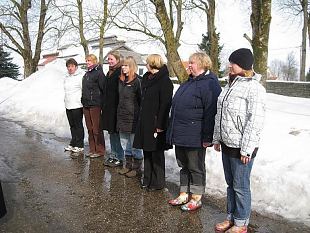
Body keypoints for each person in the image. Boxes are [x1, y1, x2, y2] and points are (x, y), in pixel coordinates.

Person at [213, 48, 266, 233]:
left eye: (233, 63)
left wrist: (247, 149)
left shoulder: (254, 88)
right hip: (228, 143)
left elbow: (255, 120)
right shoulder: (229, 85)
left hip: (242, 148)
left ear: (243, 65)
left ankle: (241, 222)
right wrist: (217, 138)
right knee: (230, 185)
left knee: (240, 186)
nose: (229, 65)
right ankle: (231, 217)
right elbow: (221, 115)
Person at [166, 52, 221, 211]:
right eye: (189, 62)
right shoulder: (188, 82)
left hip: (195, 135)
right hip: (181, 133)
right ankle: (184, 193)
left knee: (195, 167)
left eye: (192, 63)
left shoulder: (210, 84)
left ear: (203, 64)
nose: (188, 65)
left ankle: (196, 197)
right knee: (183, 165)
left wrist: (207, 137)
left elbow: (211, 112)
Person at [133, 54, 173, 191]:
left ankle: (158, 182)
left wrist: (160, 124)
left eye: (147, 63)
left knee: (156, 153)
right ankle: (147, 179)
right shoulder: (146, 78)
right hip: (145, 120)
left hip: (156, 122)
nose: (145, 65)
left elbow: (165, 104)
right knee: (147, 152)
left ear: (152, 63)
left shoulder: (165, 81)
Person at [116, 56, 143, 178]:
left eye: (126, 65)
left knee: (134, 144)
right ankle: (127, 166)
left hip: (133, 118)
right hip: (122, 117)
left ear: (131, 67)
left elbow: (141, 100)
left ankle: (137, 168)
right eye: (122, 65)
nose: (123, 67)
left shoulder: (137, 82)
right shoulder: (121, 80)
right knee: (124, 143)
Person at [102, 50, 124, 167]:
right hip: (108, 107)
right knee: (111, 132)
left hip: (116, 107)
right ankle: (113, 155)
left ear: (117, 60)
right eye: (108, 59)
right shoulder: (109, 72)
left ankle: (119, 157)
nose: (109, 61)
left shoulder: (120, 71)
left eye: (112, 59)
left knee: (116, 133)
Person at [81, 54, 105, 158]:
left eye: (89, 61)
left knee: (96, 128)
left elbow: (103, 89)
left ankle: (100, 150)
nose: (87, 62)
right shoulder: (87, 74)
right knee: (89, 128)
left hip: (95, 104)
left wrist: (102, 103)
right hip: (86, 104)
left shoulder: (99, 73)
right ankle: (92, 149)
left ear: (95, 61)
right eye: (86, 61)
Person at [63, 58, 85, 155]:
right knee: (72, 126)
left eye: (72, 66)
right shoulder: (66, 77)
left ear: (76, 67)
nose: (70, 68)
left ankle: (80, 145)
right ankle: (73, 142)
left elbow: (83, 90)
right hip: (68, 105)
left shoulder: (80, 77)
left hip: (77, 105)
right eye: (68, 66)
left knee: (78, 125)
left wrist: (81, 101)